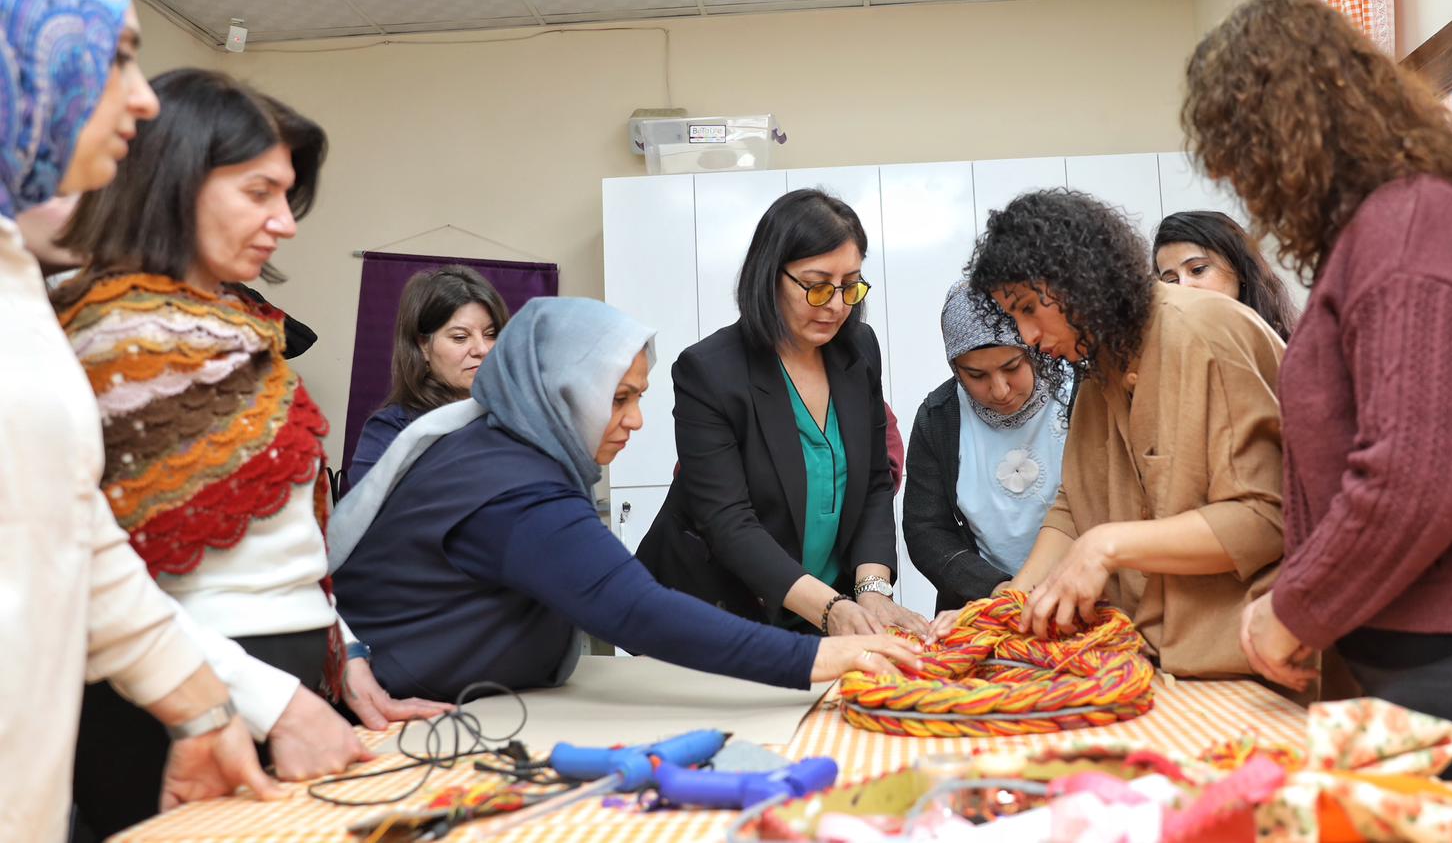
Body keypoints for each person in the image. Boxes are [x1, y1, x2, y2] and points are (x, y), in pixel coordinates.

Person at [1182, 0, 1452, 823]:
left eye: (1244, 159)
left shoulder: (1410, 231)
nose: (1248, 191)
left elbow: (1417, 478)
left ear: (1288, 134)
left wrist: (1294, 608)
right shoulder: (1385, 233)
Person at [54, 68, 441, 837]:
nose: (285, 224)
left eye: (287, 197)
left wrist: (345, 658)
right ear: (174, 182)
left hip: (275, 682)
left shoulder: (232, 327)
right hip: (184, 701)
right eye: (259, 192)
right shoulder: (123, 337)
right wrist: (273, 702)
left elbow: (278, 545)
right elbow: (98, 577)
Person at [0, 0, 279, 841]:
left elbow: (70, 528)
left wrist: (202, 709)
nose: (145, 98)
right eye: (116, 56)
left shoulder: (16, 277)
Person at [329, 297, 918, 701]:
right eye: (617, 399)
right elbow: (636, 610)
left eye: (638, 396)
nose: (636, 420)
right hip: (402, 711)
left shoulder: (504, 449)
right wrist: (822, 658)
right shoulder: (512, 486)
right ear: (560, 392)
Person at [964, 188, 1286, 679]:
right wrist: (1005, 607)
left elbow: (1267, 518)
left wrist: (1107, 546)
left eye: (1029, 308)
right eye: (1014, 318)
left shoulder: (1208, 331)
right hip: (1150, 666)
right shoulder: (1099, 372)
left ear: (1078, 278)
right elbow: (1073, 509)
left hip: (1254, 665)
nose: (1027, 337)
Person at [637, 190, 928, 638]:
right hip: (716, 606)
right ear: (770, 276)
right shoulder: (710, 372)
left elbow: (874, 481)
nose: (837, 305)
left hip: (823, 606)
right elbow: (729, 522)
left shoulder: (859, 350)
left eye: (850, 285)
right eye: (817, 285)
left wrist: (872, 591)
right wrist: (832, 609)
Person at [903, 280, 1075, 612]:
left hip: (1082, 594)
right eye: (976, 376)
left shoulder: (1079, 396)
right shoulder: (939, 417)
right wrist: (996, 589)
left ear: (1034, 347)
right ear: (955, 368)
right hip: (986, 603)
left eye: (1012, 367)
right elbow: (926, 530)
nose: (999, 390)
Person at [346, 265, 509, 488]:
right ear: (423, 346)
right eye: (460, 337)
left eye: (491, 334)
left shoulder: (515, 419)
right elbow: (366, 504)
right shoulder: (392, 429)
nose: (482, 349)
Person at [1152, 210, 1298, 341]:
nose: (1183, 286)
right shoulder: (1166, 351)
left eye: (1197, 270)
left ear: (1239, 268)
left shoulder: (1292, 346)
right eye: (1171, 281)